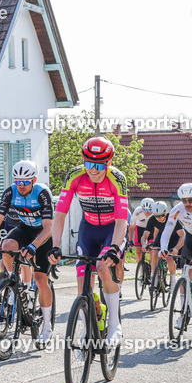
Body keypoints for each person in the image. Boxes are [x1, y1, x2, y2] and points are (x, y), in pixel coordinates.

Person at [49, 136, 128, 346]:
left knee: (102, 267)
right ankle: (86, 330)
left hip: (112, 229)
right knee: (82, 278)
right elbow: (60, 215)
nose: (92, 170)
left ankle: (114, 324)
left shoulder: (117, 178)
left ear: (108, 162)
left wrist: (113, 248)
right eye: (88, 163)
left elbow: (122, 221)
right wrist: (55, 246)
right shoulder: (75, 176)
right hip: (89, 228)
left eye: (99, 165)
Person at [0, 160, 55, 341]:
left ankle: (47, 325)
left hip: (43, 233)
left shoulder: (42, 193)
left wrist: (33, 246)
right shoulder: (10, 191)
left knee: (40, 278)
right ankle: (15, 284)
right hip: (25, 228)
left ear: (34, 179)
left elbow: (48, 228)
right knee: (6, 247)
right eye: (17, 181)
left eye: (25, 182)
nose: (20, 186)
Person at [142, 201, 184, 291]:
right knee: (154, 253)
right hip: (162, 236)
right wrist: (144, 243)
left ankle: (173, 279)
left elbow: (182, 235)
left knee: (169, 258)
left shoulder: (172, 218)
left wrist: (176, 248)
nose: (159, 218)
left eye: (161, 215)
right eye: (157, 216)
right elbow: (145, 235)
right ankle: (155, 277)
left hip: (174, 238)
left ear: (165, 212)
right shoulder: (152, 219)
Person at [129, 198, 155, 266]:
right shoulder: (137, 211)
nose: (147, 212)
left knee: (151, 249)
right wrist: (130, 241)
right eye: (145, 209)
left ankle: (153, 267)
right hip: (140, 228)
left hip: (151, 229)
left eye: (149, 209)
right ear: (142, 208)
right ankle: (141, 270)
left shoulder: (155, 211)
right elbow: (131, 227)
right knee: (138, 250)